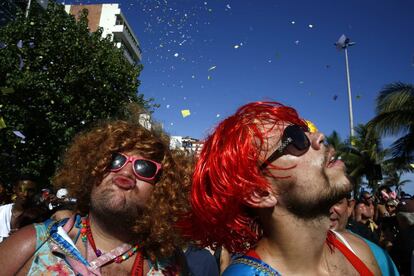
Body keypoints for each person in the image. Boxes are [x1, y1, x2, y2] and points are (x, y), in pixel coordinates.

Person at [182, 101, 380, 275]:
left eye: (304, 130)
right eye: (295, 138)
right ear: (260, 192)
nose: (318, 136)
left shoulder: (356, 249)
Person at [0, 120, 191, 275]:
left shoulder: (171, 261)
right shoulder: (32, 242)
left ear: (161, 188)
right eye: (113, 160)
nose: (125, 173)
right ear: (90, 170)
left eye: (145, 167)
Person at [329, 195, 399, 275]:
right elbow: (357, 219)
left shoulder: (376, 255)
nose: (370, 199)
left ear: (350, 206)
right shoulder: (361, 207)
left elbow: (375, 218)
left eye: (336, 202)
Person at [0, 176, 39, 243]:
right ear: (14, 189)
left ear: (36, 192)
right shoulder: (1, 211)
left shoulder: (39, 218)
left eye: (30, 191)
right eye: (21, 189)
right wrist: (7, 240)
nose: (25, 194)